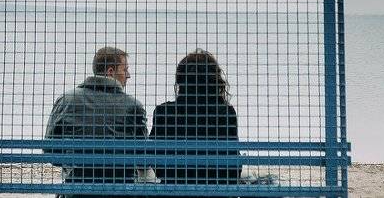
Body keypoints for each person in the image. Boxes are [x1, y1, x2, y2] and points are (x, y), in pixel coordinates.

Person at [46, 46, 148, 188]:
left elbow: (50, 149)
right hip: (122, 188)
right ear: (110, 72)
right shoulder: (133, 105)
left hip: (77, 188)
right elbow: (143, 154)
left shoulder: (66, 101)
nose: (128, 75)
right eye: (125, 70)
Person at [151, 50, 240, 186]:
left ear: (180, 80)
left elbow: (154, 157)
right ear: (213, 80)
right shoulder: (225, 112)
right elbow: (233, 162)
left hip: (173, 188)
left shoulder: (164, 112)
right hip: (215, 189)